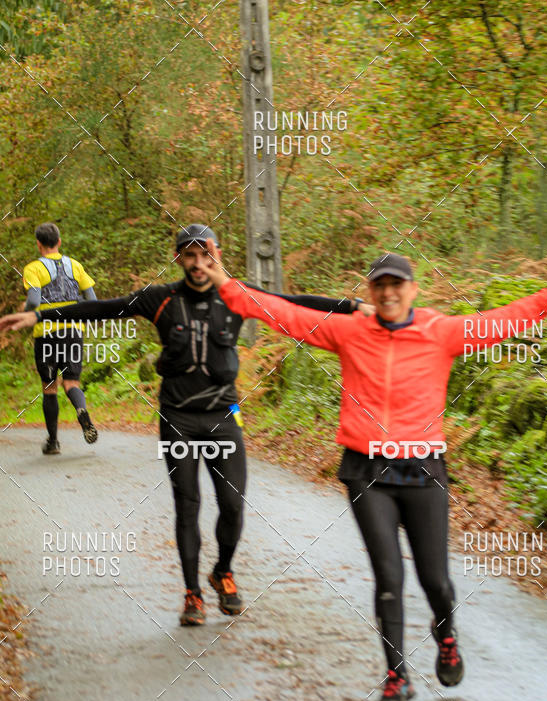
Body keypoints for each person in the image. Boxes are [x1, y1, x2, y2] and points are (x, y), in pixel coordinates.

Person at [188, 239, 547, 701]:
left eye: (396, 285)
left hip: (423, 469)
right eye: (379, 285)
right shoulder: (349, 331)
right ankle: (396, 677)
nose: (387, 293)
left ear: (412, 289)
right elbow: (282, 314)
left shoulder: (439, 331)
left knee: (436, 580)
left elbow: (498, 323)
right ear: (370, 291)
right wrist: (223, 281)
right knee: (389, 576)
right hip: (367, 471)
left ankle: (446, 634)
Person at [0, 224, 366, 626]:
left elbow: (291, 303)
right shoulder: (160, 299)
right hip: (177, 418)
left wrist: (351, 307)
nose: (197, 263)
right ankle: (192, 593)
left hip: (223, 415)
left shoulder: (235, 296)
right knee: (187, 504)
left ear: (217, 256)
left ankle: (222, 571)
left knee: (232, 505)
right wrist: (37, 314)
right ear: (178, 258)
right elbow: (101, 308)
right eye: (189, 255)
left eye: (205, 255)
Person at [23, 222, 99, 454]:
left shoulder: (33, 268)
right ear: (59, 242)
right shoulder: (75, 265)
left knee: (49, 387)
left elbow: (33, 301)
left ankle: (53, 442)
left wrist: (25, 312)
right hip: (73, 332)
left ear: (38, 244)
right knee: (71, 383)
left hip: (46, 333)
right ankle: (81, 410)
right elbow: (92, 300)